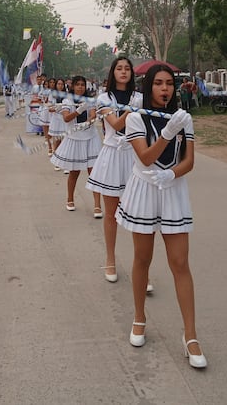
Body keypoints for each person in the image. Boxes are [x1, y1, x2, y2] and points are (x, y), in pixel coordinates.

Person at [115, 64, 207, 369]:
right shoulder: (136, 119)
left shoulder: (184, 118)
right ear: (148, 87)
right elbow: (145, 157)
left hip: (173, 190)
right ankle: (139, 317)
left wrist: (172, 175)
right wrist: (168, 132)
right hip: (143, 188)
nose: (165, 89)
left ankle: (190, 336)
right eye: (158, 83)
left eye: (169, 83)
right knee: (142, 259)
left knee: (180, 263)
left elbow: (190, 161)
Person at [86, 57, 143, 283]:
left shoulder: (139, 97)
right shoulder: (103, 98)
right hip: (111, 155)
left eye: (127, 68)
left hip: (134, 155)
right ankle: (110, 260)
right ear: (113, 72)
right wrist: (132, 110)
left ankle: (142, 267)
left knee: (140, 214)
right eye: (119, 68)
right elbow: (117, 125)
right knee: (111, 213)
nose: (123, 72)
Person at [50, 76, 102, 215]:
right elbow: (66, 118)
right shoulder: (67, 100)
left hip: (90, 137)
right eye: (77, 84)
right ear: (72, 86)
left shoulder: (89, 100)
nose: (80, 87)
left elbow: (92, 115)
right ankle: (70, 198)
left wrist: (90, 120)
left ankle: (97, 205)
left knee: (94, 172)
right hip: (75, 137)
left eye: (82, 85)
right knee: (74, 171)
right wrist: (78, 111)